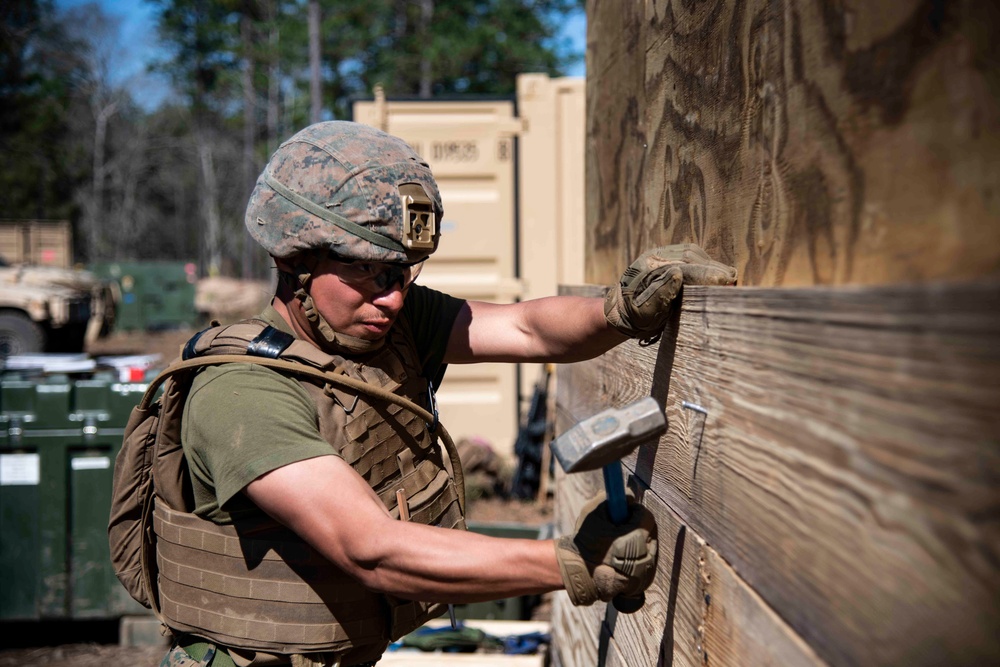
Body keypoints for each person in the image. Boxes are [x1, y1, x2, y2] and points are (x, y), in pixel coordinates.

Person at [158, 121, 737, 667]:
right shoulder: (242, 392)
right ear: (296, 261)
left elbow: (524, 327)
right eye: (371, 272)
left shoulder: (385, 323)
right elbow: (372, 549)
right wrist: (572, 562)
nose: (393, 296)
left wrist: (620, 310)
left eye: (404, 272)